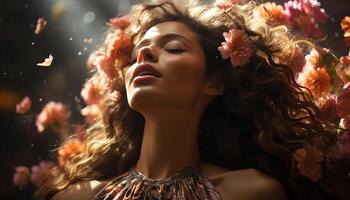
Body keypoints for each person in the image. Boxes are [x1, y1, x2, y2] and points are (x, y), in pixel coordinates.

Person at [34, 0, 338, 199]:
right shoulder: (77, 197)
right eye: (139, 51)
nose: (145, 55)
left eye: (174, 48)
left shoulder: (250, 193)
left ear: (214, 82)